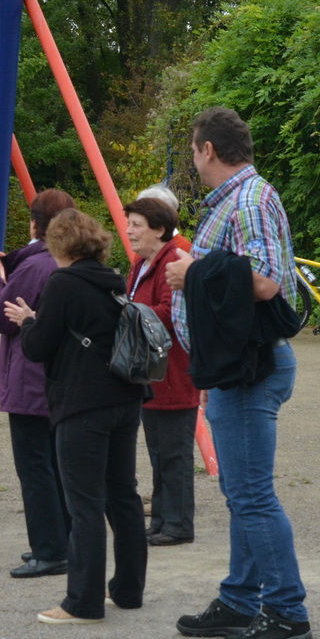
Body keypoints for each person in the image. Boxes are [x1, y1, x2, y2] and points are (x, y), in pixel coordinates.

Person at [166, 106, 311, 639]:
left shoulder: (249, 199)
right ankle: (240, 600)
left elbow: (269, 281)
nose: (193, 160)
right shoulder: (236, 200)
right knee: (240, 494)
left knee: (251, 495)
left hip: (252, 371)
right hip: (237, 369)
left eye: (194, 149)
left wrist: (192, 271)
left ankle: (288, 614)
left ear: (208, 149)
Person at [6, 209, 147, 624]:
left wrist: (29, 321)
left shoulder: (62, 283)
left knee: (84, 501)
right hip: (124, 396)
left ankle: (82, 602)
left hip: (82, 402)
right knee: (123, 495)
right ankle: (128, 589)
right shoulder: (113, 278)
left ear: (59, 244)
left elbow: (38, 347)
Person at [0, 188, 75, 578]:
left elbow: (1, 317)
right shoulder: (59, 262)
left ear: (35, 223)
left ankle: (49, 548)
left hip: (30, 380)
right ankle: (59, 541)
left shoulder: (35, 267)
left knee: (35, 469)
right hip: (54, 379)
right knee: (54, 464)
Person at [124, 196, 196, 546]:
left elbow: (170, 313)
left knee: (174, 453)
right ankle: (162, 520)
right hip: (150, 373)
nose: (129, 231)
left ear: (160, 229)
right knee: (157, 450)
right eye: (129, 224)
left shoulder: (176, 259)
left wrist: (129, 313)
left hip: (175, 371)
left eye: (137, 225)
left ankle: (179, 524)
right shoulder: (141, 262)